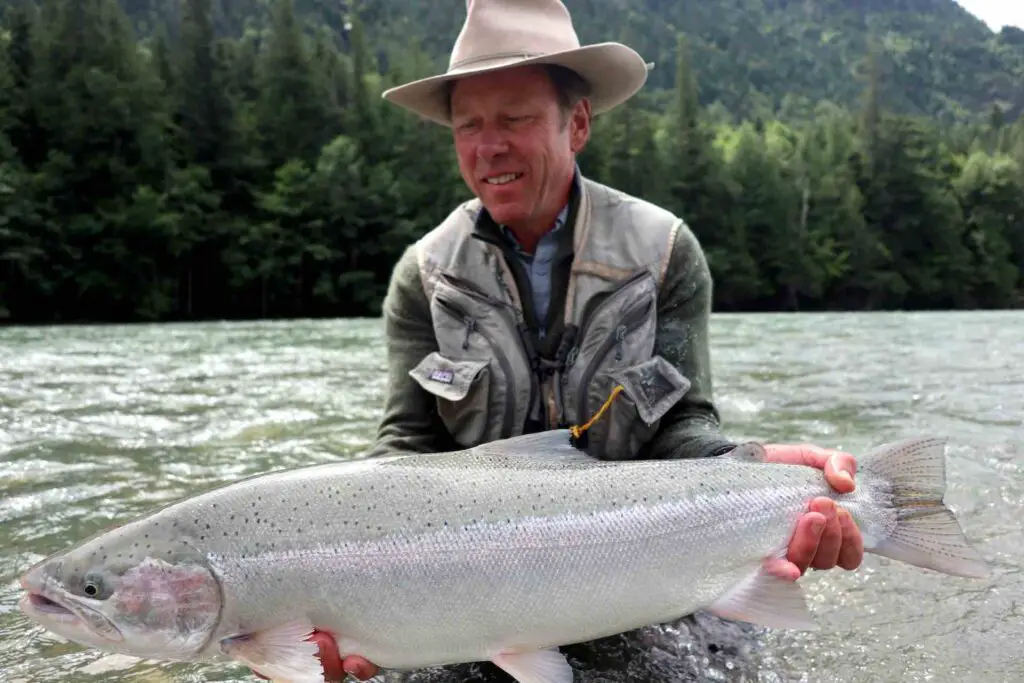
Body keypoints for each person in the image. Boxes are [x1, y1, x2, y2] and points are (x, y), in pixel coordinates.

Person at [266, 1, 864, 680]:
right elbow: (402, 450)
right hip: (474, 584)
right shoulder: (423, 277)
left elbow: (684, 427)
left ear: (576, 123)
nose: (488, 147)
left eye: (514, 120)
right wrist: (328, 599)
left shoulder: (665, 252)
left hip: (639, 563)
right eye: (468, 126)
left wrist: (750, 465)